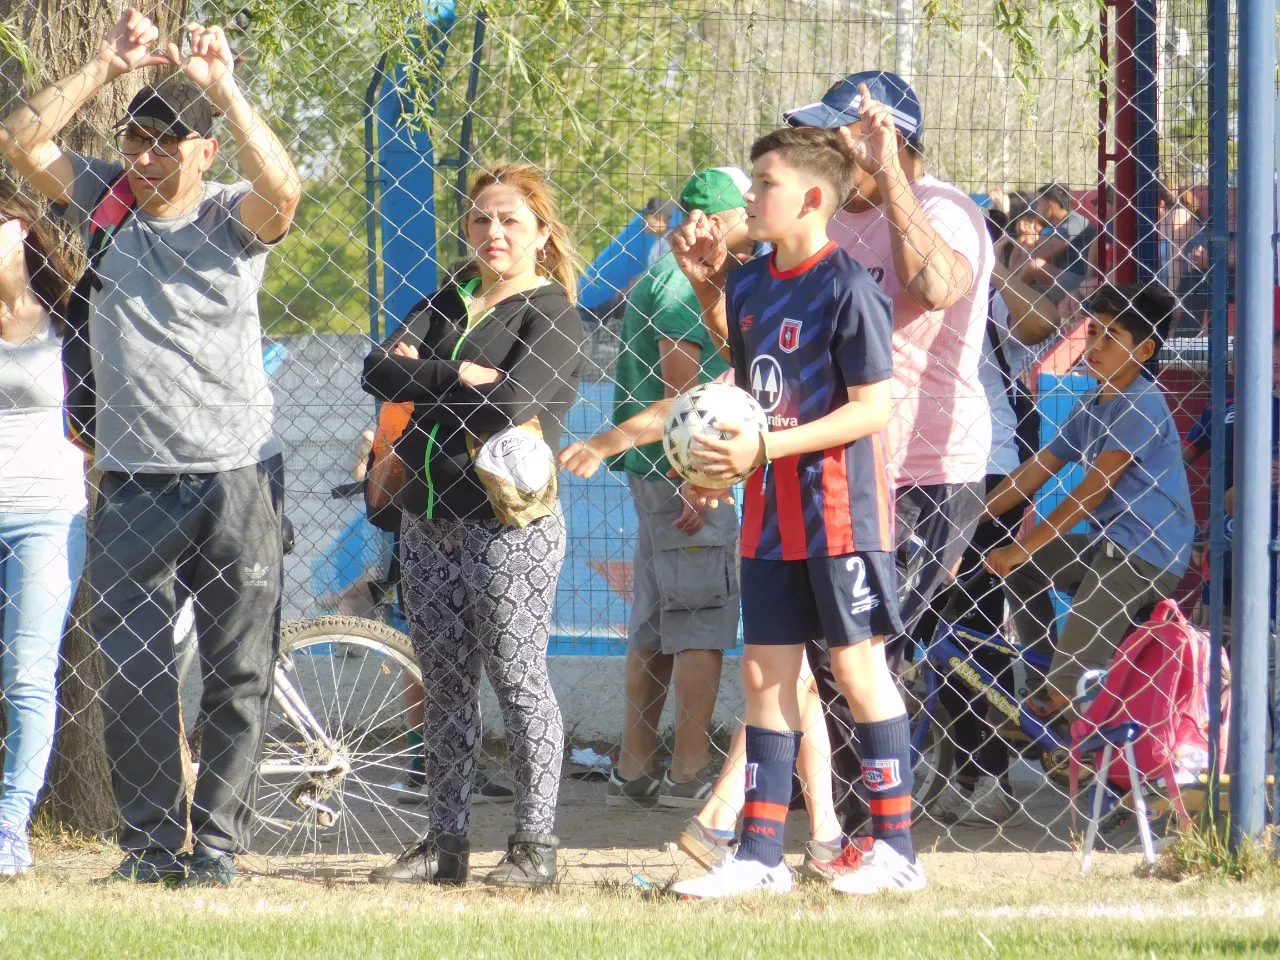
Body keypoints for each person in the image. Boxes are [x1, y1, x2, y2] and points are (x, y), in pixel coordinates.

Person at [0, 10, 299, 886]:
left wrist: (228, 92)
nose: (147, 155)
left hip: (236, 479)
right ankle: (146, 847)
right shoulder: (108, 201)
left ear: (205, 152)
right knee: (131, 676)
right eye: (137, 138)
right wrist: (103, 64)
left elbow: (283, 191)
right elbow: (21, 141)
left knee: (238, 675)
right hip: (132, 484)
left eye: (169, 142)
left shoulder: (228, 219)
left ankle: (216, 850)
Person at [668, 124, 924, 898]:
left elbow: (871, 410)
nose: (750, 195)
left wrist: (768, 453)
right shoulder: (748, 284)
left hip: (839, 514)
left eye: (764, 182)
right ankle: (759, 855)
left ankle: (897, 850)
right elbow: (748, 396)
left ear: (812, 197)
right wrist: (715, 467)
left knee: (854, 667)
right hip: (768, 514)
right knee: (765, 675)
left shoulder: (848, 285)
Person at [784, 71, 994, 846]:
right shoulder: (831, 223)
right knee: (827, 648)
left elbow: (934, 286)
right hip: (843, 464)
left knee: (864, 648)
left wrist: (892, 175)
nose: (826, 154)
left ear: (888, 139)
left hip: (928, 470)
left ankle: (878, 834)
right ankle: (840, 829)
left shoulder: (948, 212)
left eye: (840, 140)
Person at [362, 163, 585, 888]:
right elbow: (376, 371)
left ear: (542, 234)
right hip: (428, 521)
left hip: (505, 526)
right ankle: (444, 843)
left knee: (518, 682)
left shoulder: (550, 311)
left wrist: (426, 376)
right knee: (447, 684)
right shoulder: (449, 298)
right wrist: (456, 378)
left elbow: (510, 405)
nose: (494, 232)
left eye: (511, 220)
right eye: (482, 219)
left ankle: (534, 847)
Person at [560, 168, 751, 813]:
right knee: (698, 620)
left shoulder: (671, 276)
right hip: (683, 475)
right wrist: (697, 477)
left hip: (663, 474)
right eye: (747, 212)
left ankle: (638, 764)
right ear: (720, 220)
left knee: (654, 622)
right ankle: (689, 769)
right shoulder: (680, 287)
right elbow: (685, 401)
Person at [984, 285, 1194, 716]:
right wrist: (973, 516)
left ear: (1144, 349)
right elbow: (1034, 471)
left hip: (1143, 554)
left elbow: (1090, 491)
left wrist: (1021, 546)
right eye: (1093, 331)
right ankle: (1050, 678)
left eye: (1112, 336)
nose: (1096, 346)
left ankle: (1062, 703)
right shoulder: (1092, 402)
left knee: (1071, 674)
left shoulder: (1142, 403)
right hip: (1107, 546)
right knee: (1023, 575)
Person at [920, 245, 1073, 827]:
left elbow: (1041, 323)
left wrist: (987, 262)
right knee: (925, 621)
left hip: (987, 466)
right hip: (908, 467)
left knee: (972, 618)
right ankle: (955, 763)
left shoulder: (984, 291)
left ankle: (983, 771)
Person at [0, 188, 88, 876]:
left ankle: (10, 830)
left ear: (19, 227)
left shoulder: (70, 314)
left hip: (47, 517)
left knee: (28, 678)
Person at [1023, 183, 1097, 305]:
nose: (1036, 209)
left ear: (1050, 205)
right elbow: (1032, 249)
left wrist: (1031, 243)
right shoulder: (1057, 226)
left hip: (1081, 281)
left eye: (1039, 204)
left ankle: (1005, 298)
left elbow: (1039, 253)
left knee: (1034, 265)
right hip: (1062, 275)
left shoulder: (1075, 223)